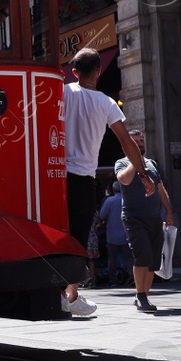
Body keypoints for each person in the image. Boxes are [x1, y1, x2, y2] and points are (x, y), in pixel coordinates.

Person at [63, 46, 150, 317]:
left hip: (53, 175)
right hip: (82, 177)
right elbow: (126, 142)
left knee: (55, 230)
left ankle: (55, 289)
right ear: (99, 71)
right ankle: (71, 295)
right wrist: (144, 174)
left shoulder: (62, 92)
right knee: (77, 238)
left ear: (74, 72)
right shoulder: (106, 103)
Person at [113, 129, 176, 313]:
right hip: (133, 218)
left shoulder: (152, 164)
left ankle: (144, 296)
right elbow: (123, 180)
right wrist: (135, 160)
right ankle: (141, 296)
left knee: (153, 260)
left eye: (141, 141)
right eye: (135, 142)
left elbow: (160, 188)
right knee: (143, 255)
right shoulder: (122, 163)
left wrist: (169, 211)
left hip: (154, 217)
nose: (140, 144)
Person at [94, 184, 131, 288]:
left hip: (112, 235)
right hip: (126, 234)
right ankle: (132, 277)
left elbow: (102, 215)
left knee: (112, 259)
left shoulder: (109, 201)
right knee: (129, 258)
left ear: (113, 190)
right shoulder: (127, 199)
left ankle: (113, 280)